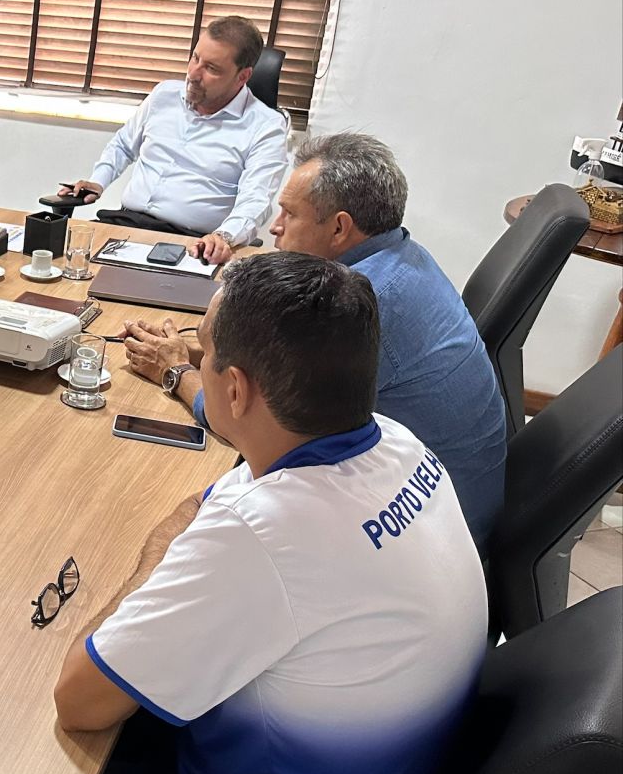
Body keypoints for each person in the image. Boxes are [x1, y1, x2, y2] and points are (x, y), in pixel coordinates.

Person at [55, 252, 487, 774]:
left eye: (204, 353)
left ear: (235, 391)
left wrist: (156, 562)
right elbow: (211, 502)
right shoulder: (395, 441)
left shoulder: (264, 536)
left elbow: (79, 702)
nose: (198, 361)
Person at [123, 133, 507, 548]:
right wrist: (201, 351)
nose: (275, 227)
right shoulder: (402, 258)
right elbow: (269, 370)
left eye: (290, 214)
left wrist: (176, 370)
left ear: (339, 227)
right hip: (442, 501)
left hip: (421, 534)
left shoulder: (356, 308)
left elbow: (249, 419)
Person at [58, 15, 288, 265]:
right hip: (125, 226)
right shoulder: (164, 94)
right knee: (63, 266)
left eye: (211, 68)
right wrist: (98, 181)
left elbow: (255, 200)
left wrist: (224, 237)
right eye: (195, 58)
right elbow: (123, 145)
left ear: (242, 76)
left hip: (192, 244)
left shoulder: (265, 127)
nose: (193, 74)